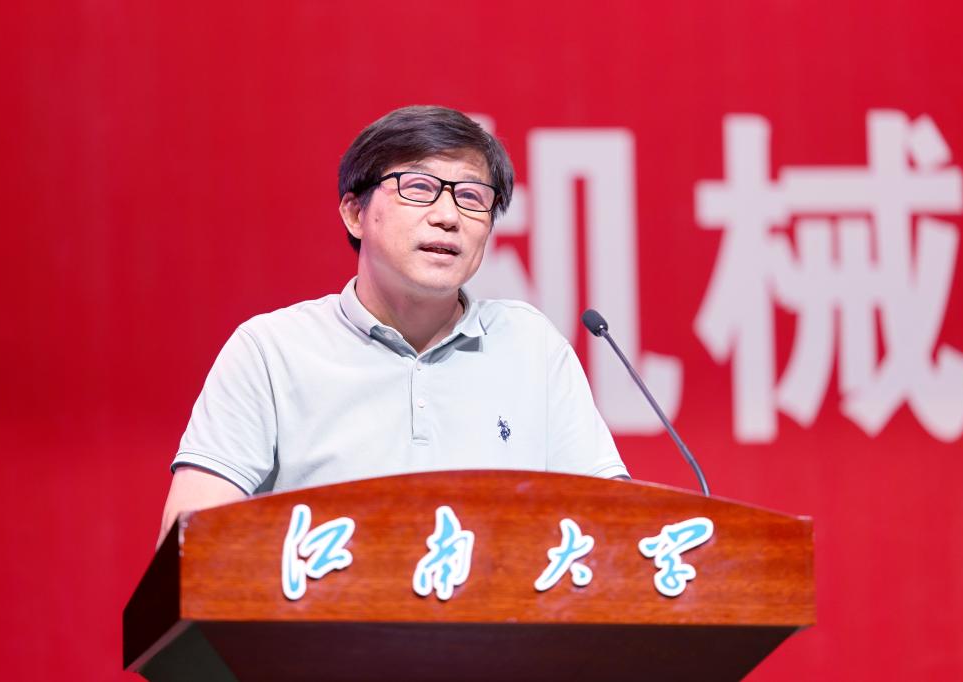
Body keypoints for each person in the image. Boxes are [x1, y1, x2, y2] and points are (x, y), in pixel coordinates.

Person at [157, 105, 629, 547]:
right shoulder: (271, 351)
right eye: (418, 187)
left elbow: (614, 528)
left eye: (471, 196)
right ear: (355, 213)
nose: (448, 217)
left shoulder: (531, 346)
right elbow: (188, 546)